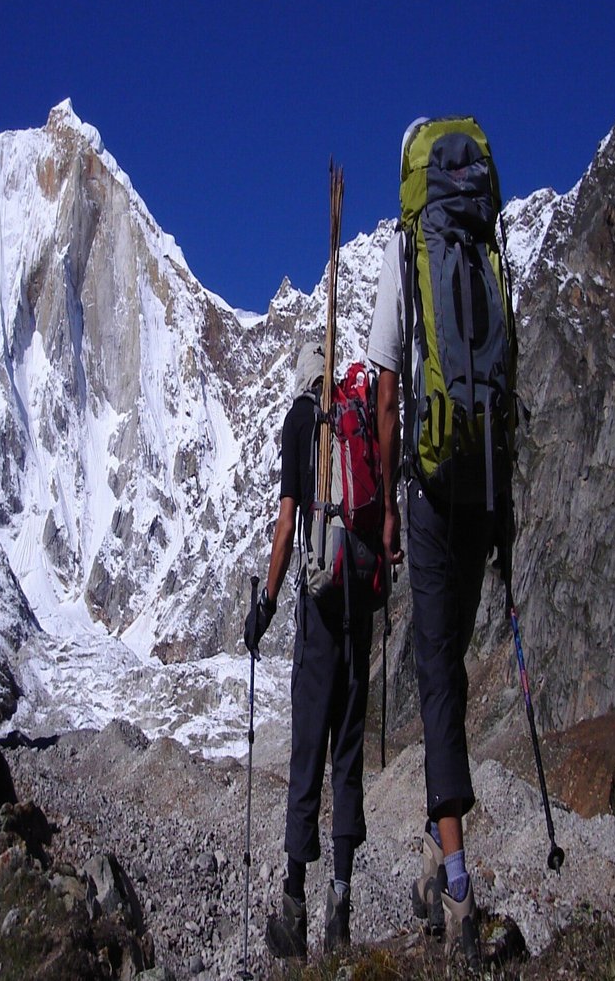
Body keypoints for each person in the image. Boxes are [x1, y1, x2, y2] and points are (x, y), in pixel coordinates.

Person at [366, 118, 498, 969]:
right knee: (450, 661)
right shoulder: (483, 250)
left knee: (436, 680)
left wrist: (383, 506)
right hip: (486, 477)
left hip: (427, 481)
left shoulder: (405, 254)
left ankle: (455, 886)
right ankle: (436, 848)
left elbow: (384, 388)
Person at [244, 340, 380, 959]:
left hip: (319, 608)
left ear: (301, 379)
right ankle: (341, 913)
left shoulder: (301, 421)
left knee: (307, 755)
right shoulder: (352, 417)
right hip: (360, 602)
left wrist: (266, 603)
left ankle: (293, 911)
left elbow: (286, 520)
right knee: (347, 757)